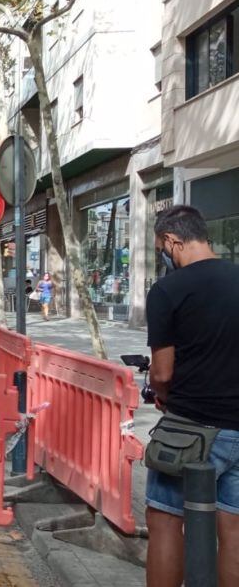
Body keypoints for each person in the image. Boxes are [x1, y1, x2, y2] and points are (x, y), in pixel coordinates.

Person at [144, 205, 239, 587]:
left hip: (191, 430)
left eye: (161, 248)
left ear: (172, 241)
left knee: (166, 519)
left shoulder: (168, 290)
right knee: (232, 528)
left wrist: (161, 393)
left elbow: (163, 372)